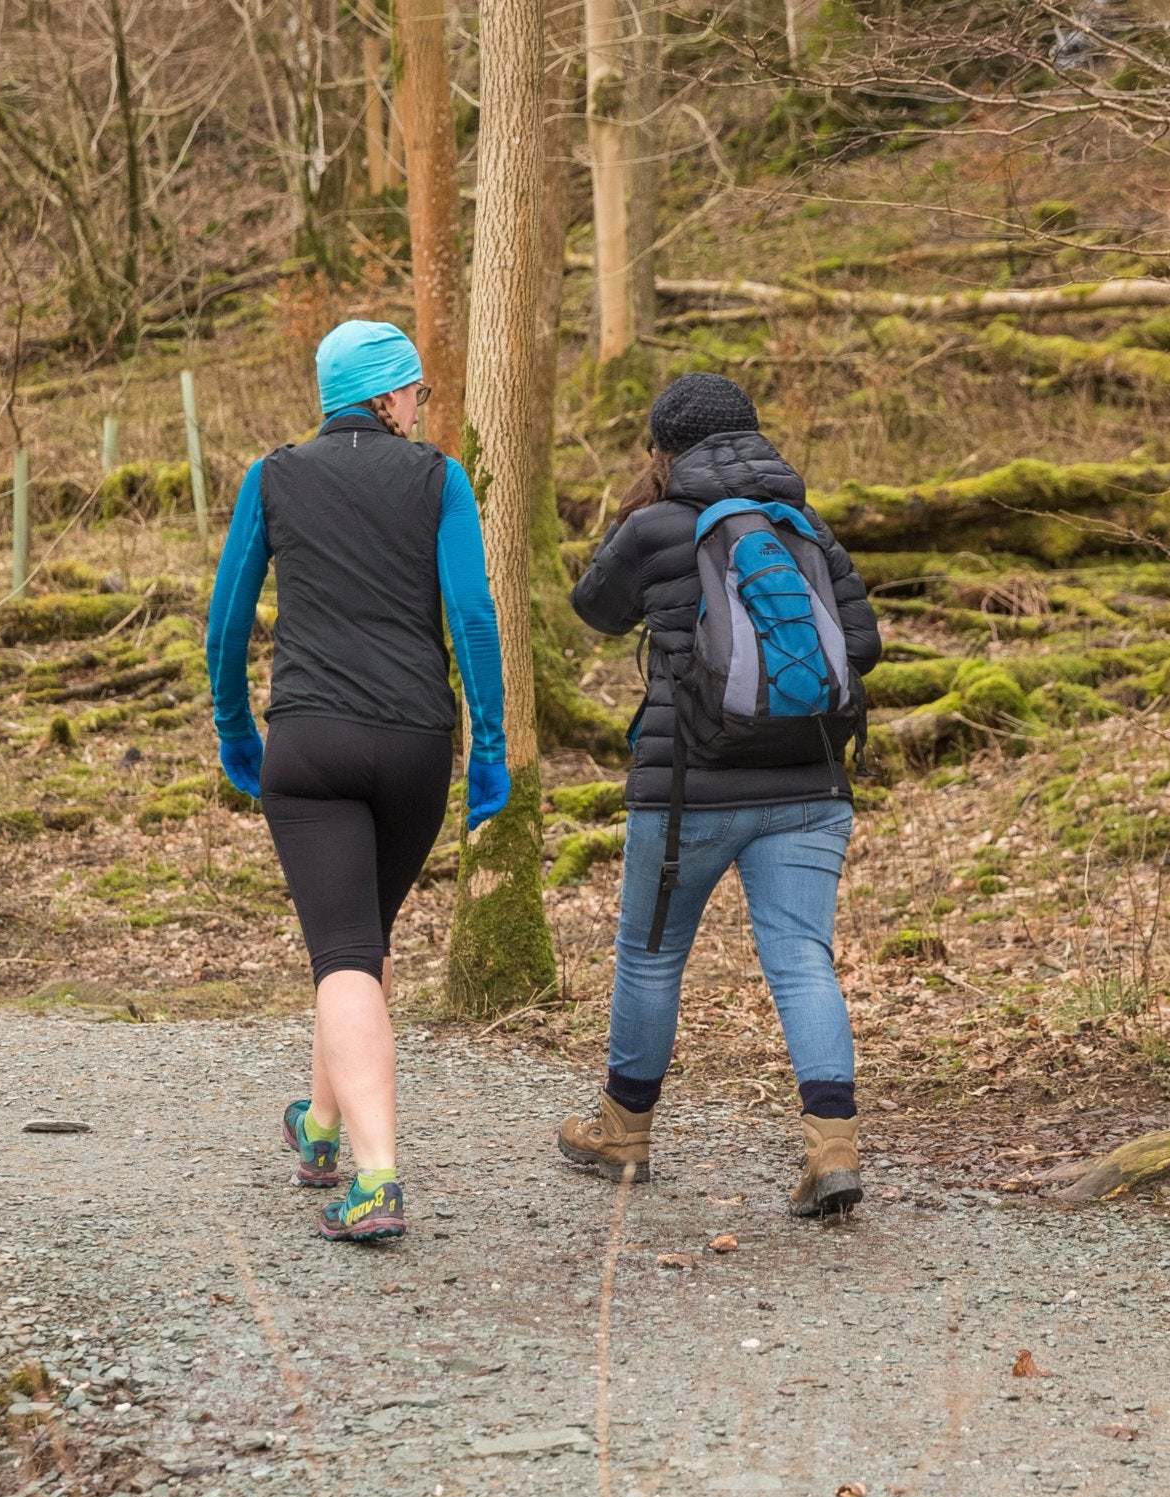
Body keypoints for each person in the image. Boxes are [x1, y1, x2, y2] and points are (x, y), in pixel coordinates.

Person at [206, 320, 509, 1241]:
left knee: (345, 951)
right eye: (414, 390)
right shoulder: (439, 478)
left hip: (312, 742)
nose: (421, 405)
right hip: (416, 744)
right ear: (388, 397)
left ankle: (376, 1180)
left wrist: (234, 729)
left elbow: (225, 622)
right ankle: (322, 1130)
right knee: (357, 944)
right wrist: (490, 747)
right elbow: (474, 619)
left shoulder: (274, 476)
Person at [554, 372, 882, 1215]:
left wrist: (643, 520)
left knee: (653, 957)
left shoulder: (653, 528)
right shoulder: (805, 526)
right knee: (802, 959)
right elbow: (864, 647)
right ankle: (831, 1151)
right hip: (811, 789)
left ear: (663, 450)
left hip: (685, 793)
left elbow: (592, 609)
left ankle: (624, 1134)